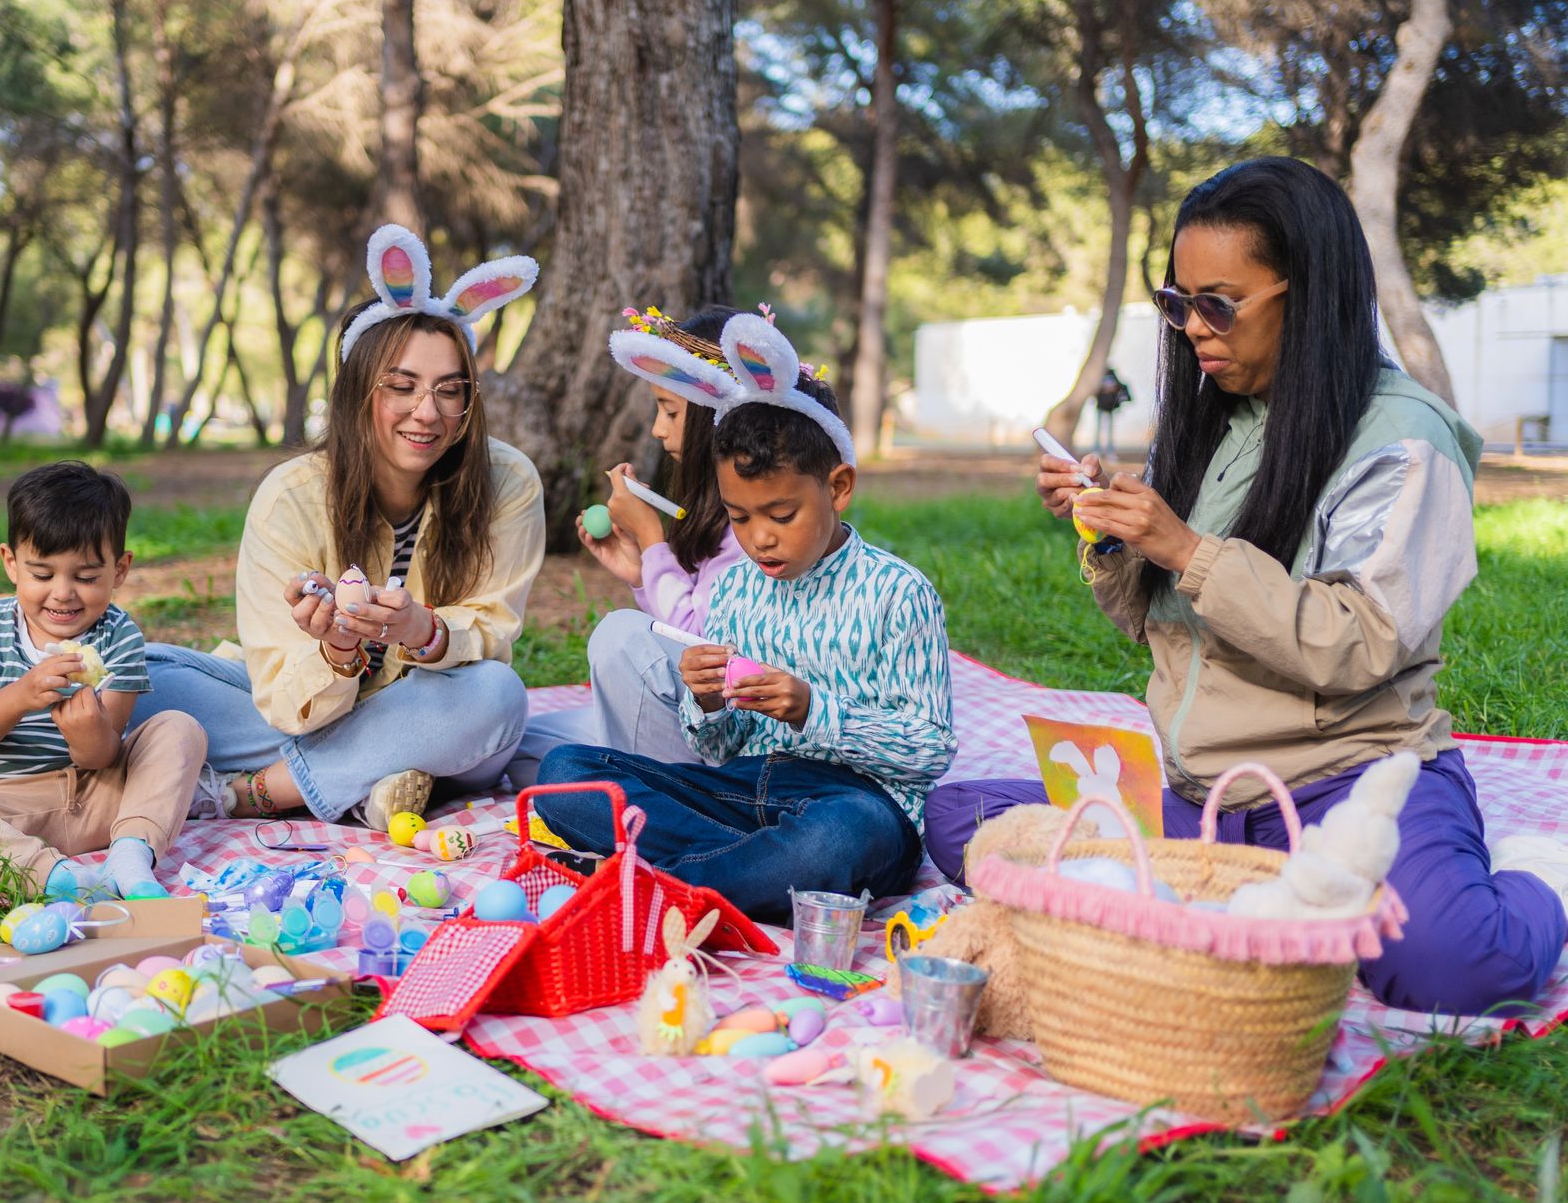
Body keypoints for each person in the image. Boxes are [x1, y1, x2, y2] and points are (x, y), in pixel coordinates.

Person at [924, 156, 1567, 1016]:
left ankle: (1543, 875)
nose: (1192, 327)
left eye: (1217, 304)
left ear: (1308, 295)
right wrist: (1111, 533)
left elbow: (1360, 643)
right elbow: (1152, 623)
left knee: (1450, 968)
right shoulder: (1211, 421)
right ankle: (1230, 892)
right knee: (964, 820)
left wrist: (1187, 547)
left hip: (1348, 780)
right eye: (1176, 303)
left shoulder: (1403, 440)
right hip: (1204, 795)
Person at [532, 311, 957, 922]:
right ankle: (732, 876)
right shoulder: (736, 590)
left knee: (837, 841)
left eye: (781, 516)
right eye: (739, 517)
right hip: (739, 793)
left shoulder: (897, 593)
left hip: (852, 802)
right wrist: (705, 700)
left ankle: (661, 885)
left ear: (838, 487)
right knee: (566, 774)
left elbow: (929, 751)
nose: (760, 539)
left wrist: (815, 710)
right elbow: (715, 747)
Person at [136, 225, 545, 829]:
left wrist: (424, 630)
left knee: (496, 697)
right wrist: (337, 651)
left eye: (449, 391)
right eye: (401, 387)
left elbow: (493, 632)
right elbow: (280, 696)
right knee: (138, 678)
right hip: (311, 715)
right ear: (357, 392)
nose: (426, 413)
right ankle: (376, 779)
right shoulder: (291, 497)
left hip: (440, 707)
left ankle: (249, 794)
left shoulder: (509, 481)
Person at [0, 462, 207, 899]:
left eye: (86, 577)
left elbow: (102, 758)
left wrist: (89, 733)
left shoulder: (118, 635)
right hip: (8, 807)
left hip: (102, 799)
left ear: (119, 570)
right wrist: (19, 696)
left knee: (180, 728)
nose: (63, 592)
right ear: (11, 564)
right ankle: (63, 879)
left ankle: (131, 854)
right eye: (42, 575)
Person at [511, 304, 749, 782]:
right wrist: (642, 569)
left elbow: (701, 640)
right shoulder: (712, 510)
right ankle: (625, 788)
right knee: (524, 749)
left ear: (714, 413)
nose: (658, 429)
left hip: (726, 728)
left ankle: (656, 801)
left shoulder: (756, 521)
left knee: (620, 636)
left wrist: (650, 538)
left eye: (670, 411)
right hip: (686, 716)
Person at [1093, 365, 1131, 454]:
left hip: (1110, 407)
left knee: (1109, 429)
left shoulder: (1113, 376)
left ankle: (1109, 450)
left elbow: (1120, 386)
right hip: (1101, 406)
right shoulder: (1098, 377)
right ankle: (1097, 449)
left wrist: (1113, 389)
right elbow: (1095, 390)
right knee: (1099, 429)